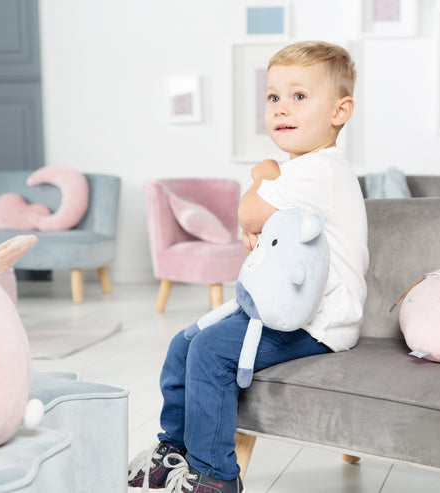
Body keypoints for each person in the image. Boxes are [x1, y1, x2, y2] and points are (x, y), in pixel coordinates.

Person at [127, 40, 369, 493]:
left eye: (299, 96)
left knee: (211, 350)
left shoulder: (318, 171)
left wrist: (263, 175)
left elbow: (248, 213)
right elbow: (259, 225)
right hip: (282, 308)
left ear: (340, 111)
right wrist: (263, 203)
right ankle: (172, 452)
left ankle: (215, 477)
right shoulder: (302, 171)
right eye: (273, 97)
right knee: (184, 343)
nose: (281, 108)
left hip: (319, 322)